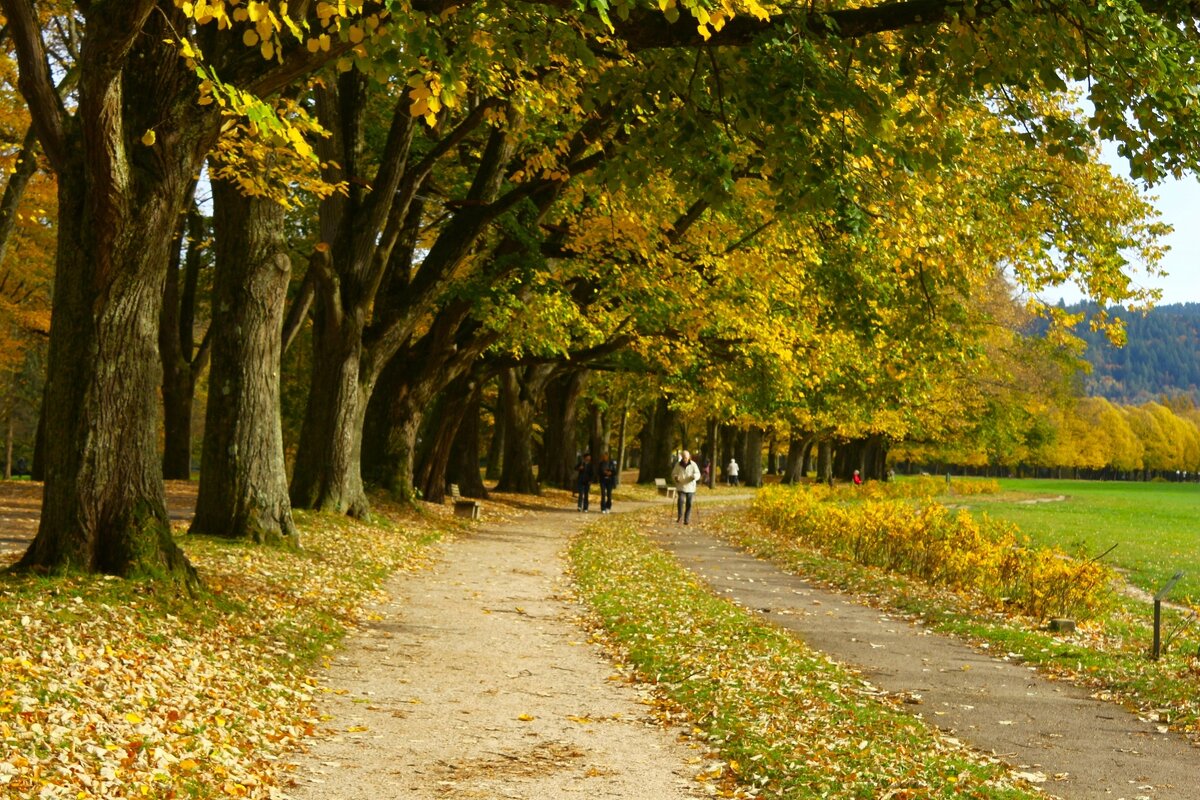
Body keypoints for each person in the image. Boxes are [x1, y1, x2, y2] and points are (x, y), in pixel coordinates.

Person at [672, 450, 701, 524]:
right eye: (684, 457)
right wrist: (676, 477)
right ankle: (680, 517)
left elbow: (698, 474)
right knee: (681, 501)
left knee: (689, 503)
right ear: (682, 457)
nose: (685, 459)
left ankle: (686, 519)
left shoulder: (693, 464)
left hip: (690, 487)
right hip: (681, 486)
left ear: (689, 457)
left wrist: (694, 476)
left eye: (686, 457)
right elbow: (673, 473)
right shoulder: (678, 464)